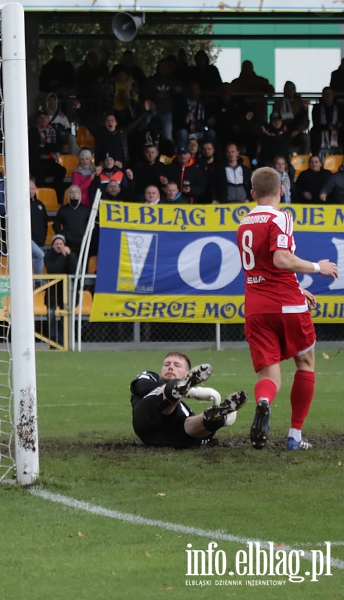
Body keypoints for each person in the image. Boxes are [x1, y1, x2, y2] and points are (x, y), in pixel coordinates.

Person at [236, 167, 339, 451]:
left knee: (269, 378)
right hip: (287, 305)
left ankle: (264, 402)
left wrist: (297, 287)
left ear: (253, 193)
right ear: (281, 190)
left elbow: (266, 267)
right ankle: (294, 436)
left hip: (256, 307)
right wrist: (319, 268)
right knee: (305, 364)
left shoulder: (244, 222)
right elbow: (281, 259)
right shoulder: (281, 216)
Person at [130, 354, 247, 449]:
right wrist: (192, 392)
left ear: (187, 373)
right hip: (145, 420)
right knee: (167, 392)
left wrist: (218, 423)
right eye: (167, 364)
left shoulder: (184, 409)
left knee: (193, 423)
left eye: (177, 365)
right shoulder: (150, 377)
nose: (170, 367)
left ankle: (220, 417)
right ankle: (175, 390)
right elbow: (141, 386)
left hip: (168, 437)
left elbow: (202, 438)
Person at [52, 185, 93, 256]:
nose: (74, 194)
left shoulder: (86, 210)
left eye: (76, 192)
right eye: (72, 192)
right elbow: (56, 225)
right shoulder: (63, 209)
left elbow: (91, 225)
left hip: (82, 243)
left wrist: (87, 237)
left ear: (80, 194)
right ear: (69, 195)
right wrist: (63, 236)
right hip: (68, 244)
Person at [309, 87, 342, 156]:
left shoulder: (339, 106)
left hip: (338, 131)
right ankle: (315, 157)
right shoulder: (317, 107)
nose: (328, 96)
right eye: (325, 94)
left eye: (329, 94)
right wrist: (327, 127)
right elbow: (316, 123)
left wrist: (339, 124)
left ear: (333, 95)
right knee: (314, 135)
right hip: (321, 130)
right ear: (322, 96)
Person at [29, 179, 49, 275]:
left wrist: (43, 238)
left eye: (32, 189)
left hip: (39, 241)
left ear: (36, 189)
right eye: (28, 189)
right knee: (39, 255)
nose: (31, 191)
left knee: (35, 259)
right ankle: (37, 282)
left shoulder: (40, 204)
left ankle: (34, 283)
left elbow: (45, 222)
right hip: (27, 240)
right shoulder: (21, 204)